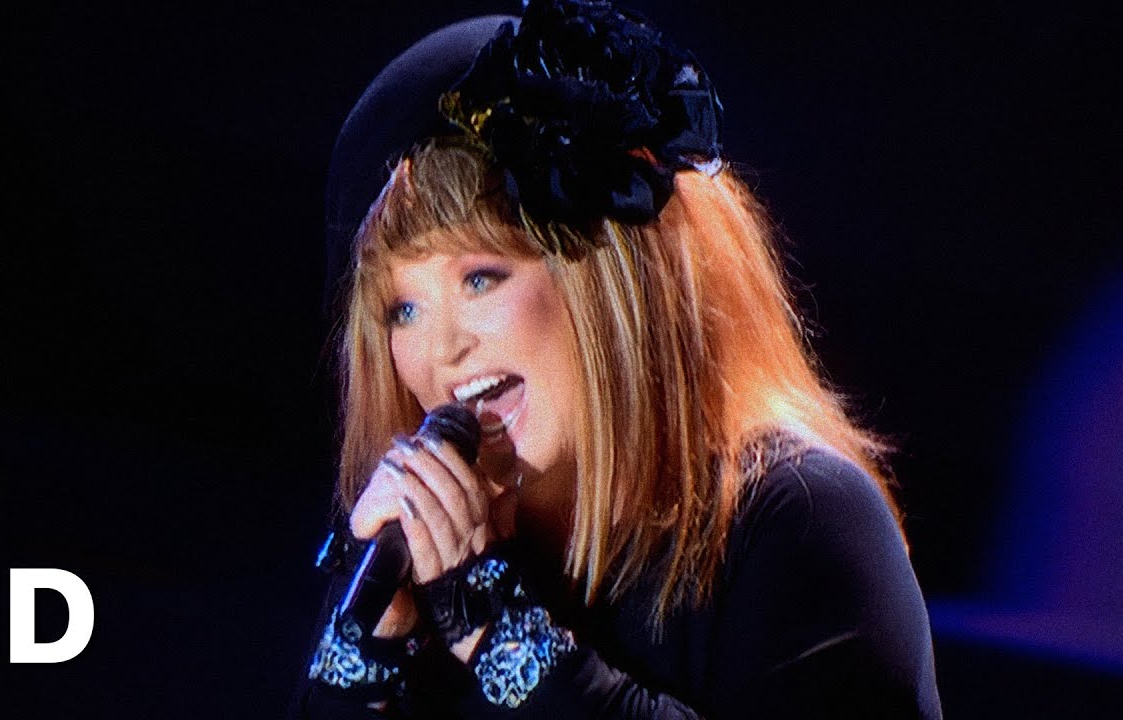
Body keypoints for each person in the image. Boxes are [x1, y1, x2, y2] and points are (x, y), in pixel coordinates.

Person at [296, 1, 941, 717]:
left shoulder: (804, 523)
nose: (442, 350)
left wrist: (502, 636)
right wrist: (373, 650)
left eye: (480, 278)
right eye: (403, 311)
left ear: (604, 280)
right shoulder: (431, 570)